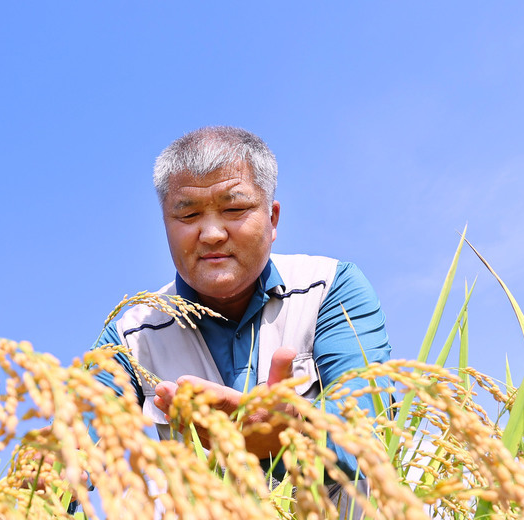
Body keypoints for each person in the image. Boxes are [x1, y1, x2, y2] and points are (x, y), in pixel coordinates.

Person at [90, 125, 392, 484]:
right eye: (188, 216)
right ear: (166, 225)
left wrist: (285, 435)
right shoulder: (131, 335)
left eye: (234, 208)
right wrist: (49, 471)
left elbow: (366, 434)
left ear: (272, 218)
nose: (212, 233)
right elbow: (77, 438)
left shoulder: (330, 289)